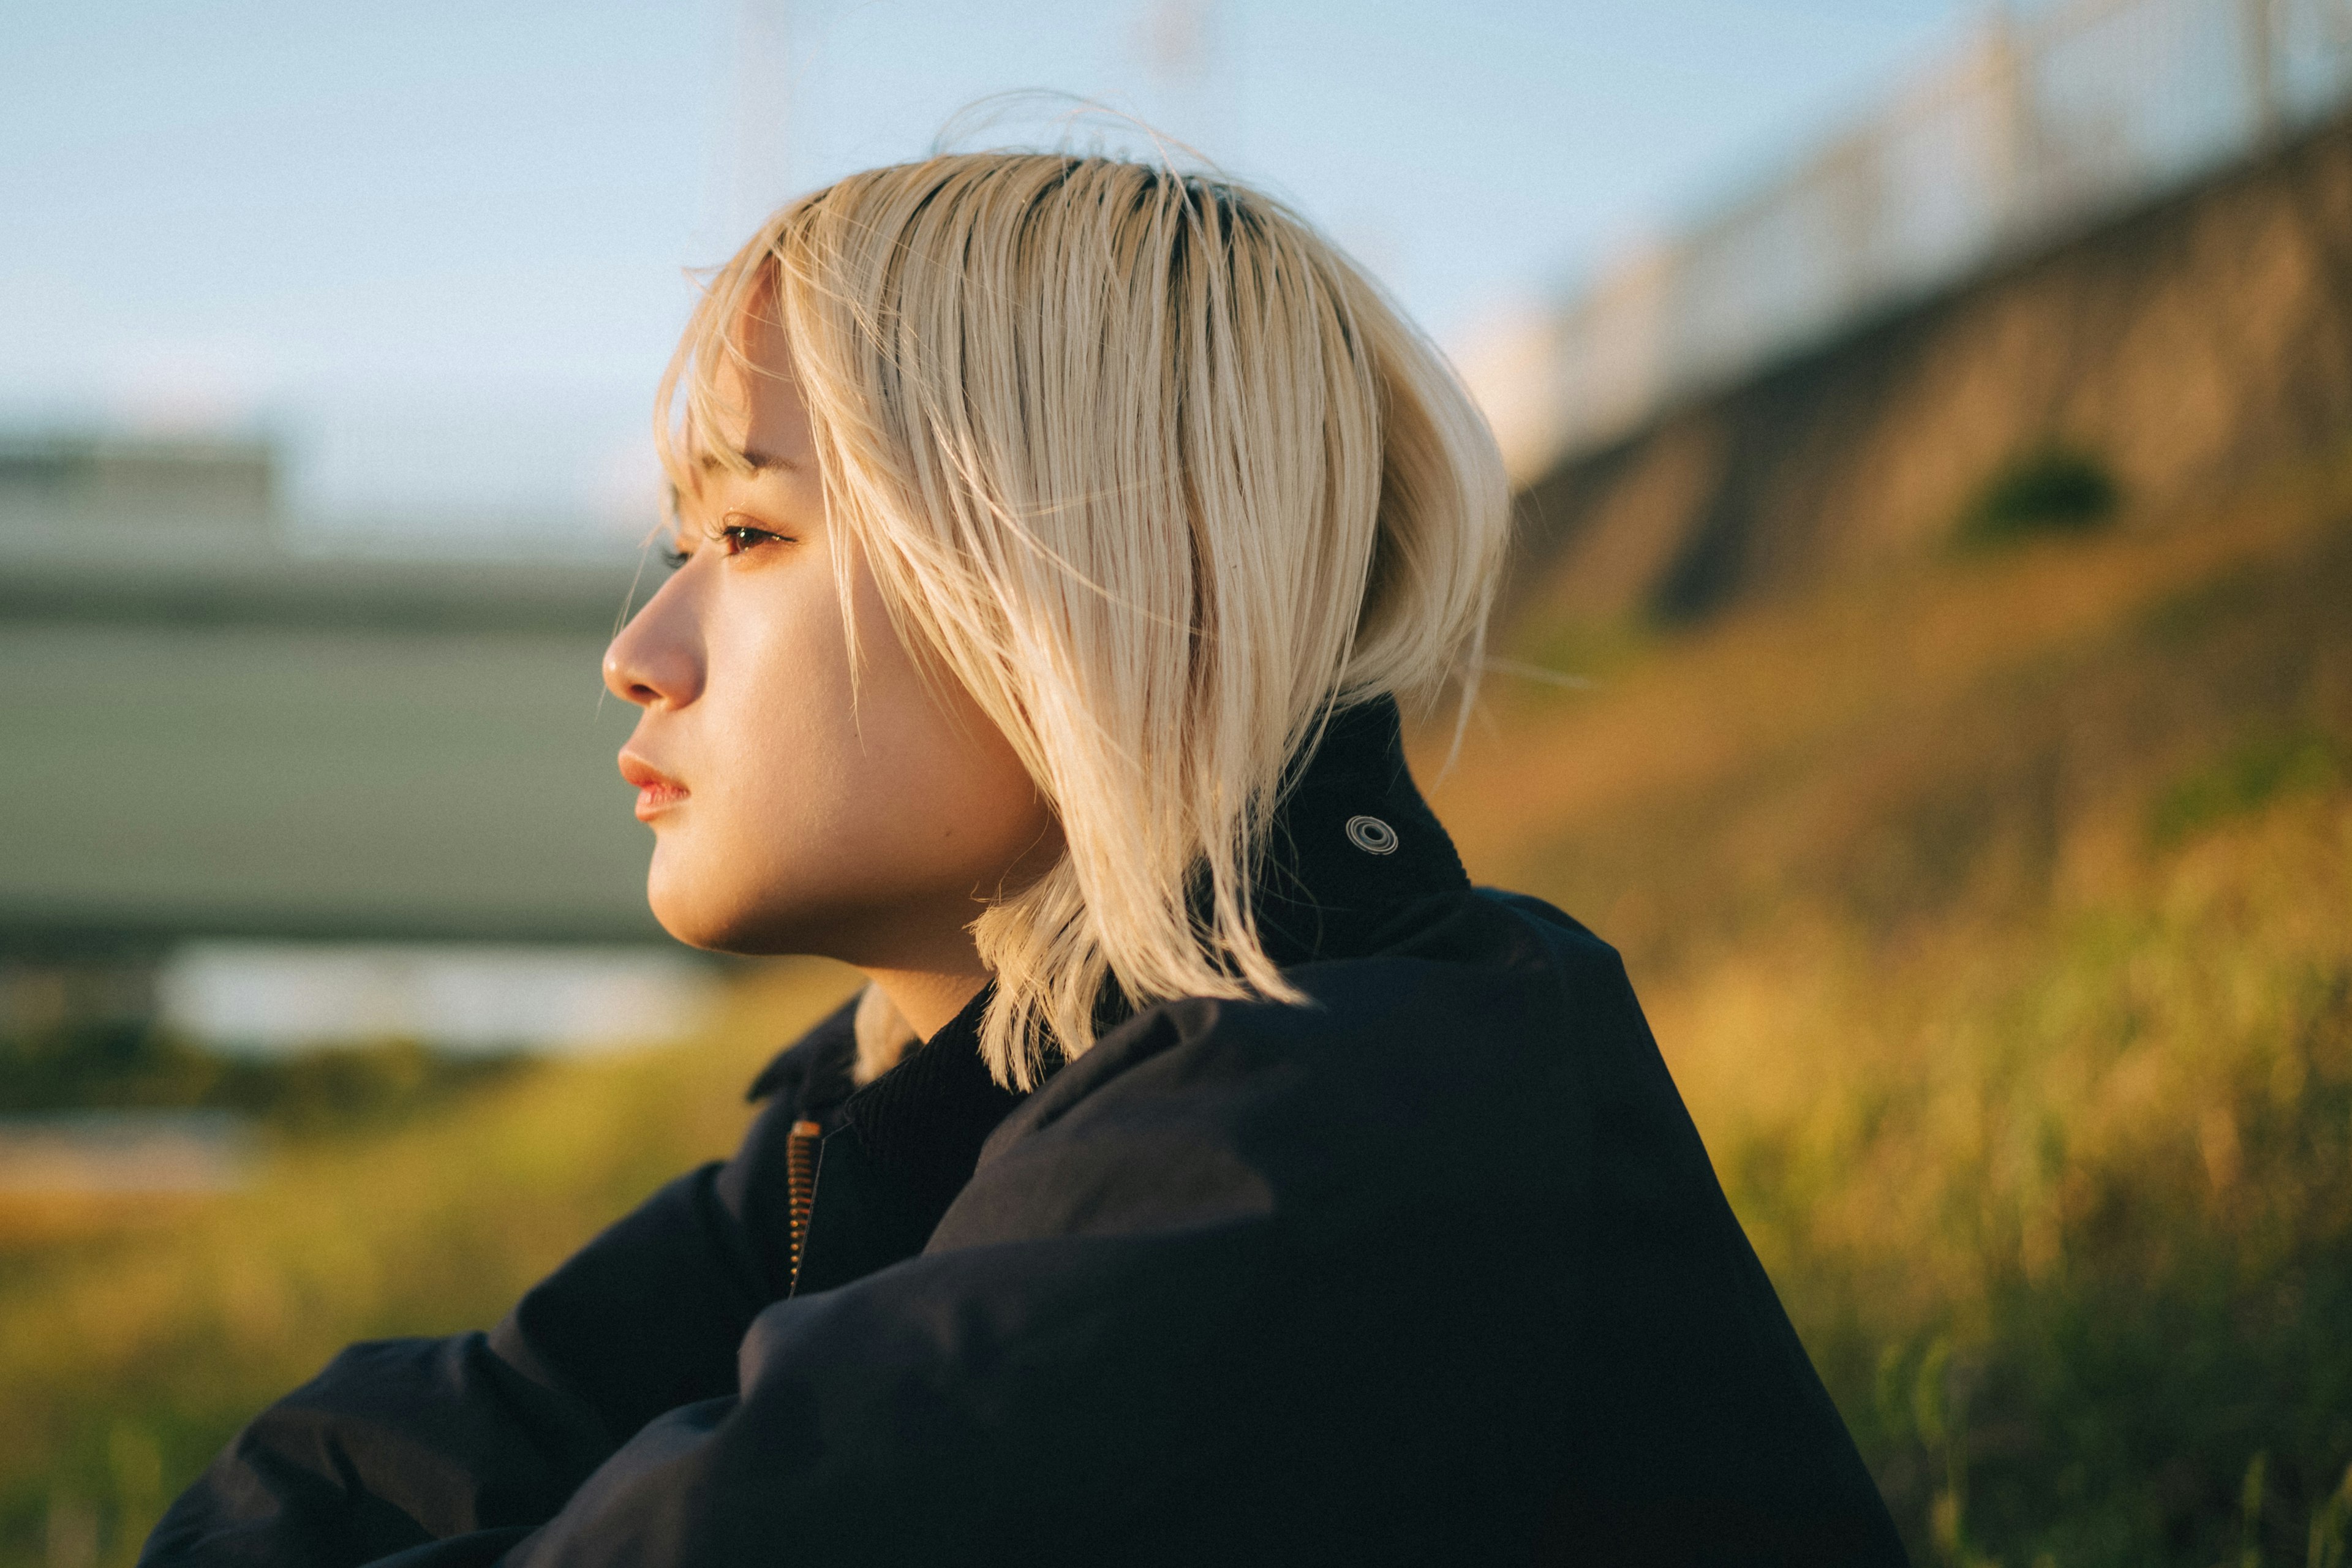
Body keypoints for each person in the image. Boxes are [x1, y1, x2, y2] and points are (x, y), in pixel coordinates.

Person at [143, 150, 1906, 1566]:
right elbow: (423, 1445)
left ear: (1099, 585)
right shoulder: (926, 1090)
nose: (640, 646)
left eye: (748, 532)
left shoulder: (1323, 1123)